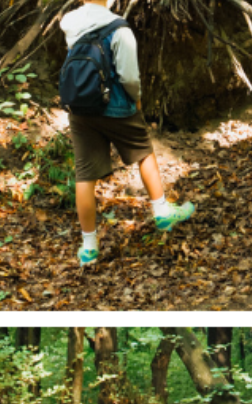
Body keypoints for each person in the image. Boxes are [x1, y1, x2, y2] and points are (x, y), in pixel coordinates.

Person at [59, 0, 195, 266]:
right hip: (116, 106)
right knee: (143, 152)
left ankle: (88, 248)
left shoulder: (69, 23)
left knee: (85, 174)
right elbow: (129, 77)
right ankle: (161, 210)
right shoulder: (120, 30)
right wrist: (138, 100)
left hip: (81, 109)